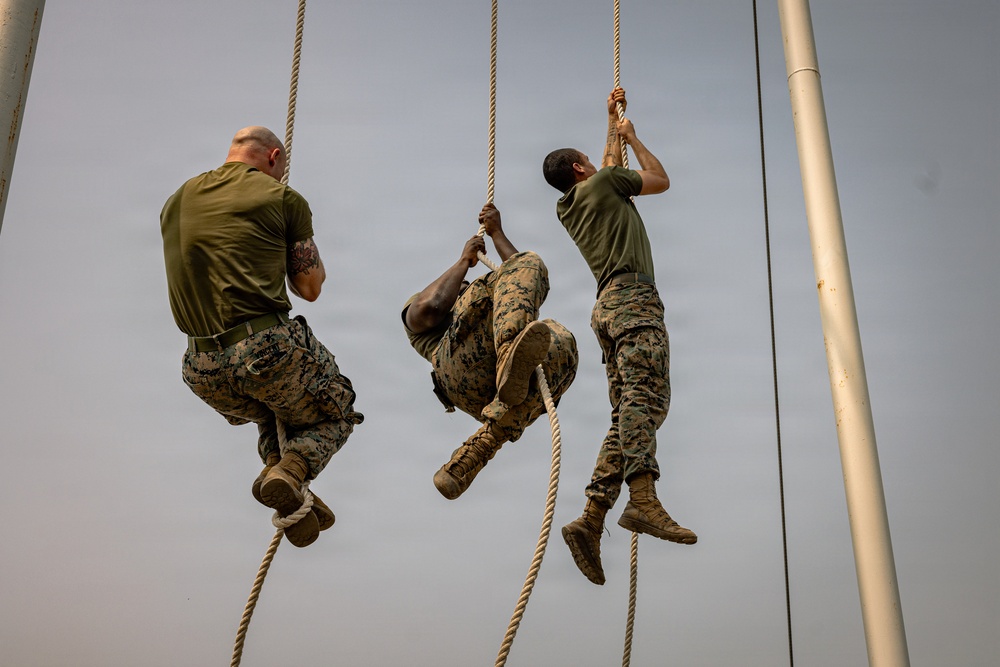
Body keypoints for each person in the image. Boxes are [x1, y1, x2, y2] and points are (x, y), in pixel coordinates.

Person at [160, 126, 363, 548]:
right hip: (261, 348)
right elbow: (309, 288)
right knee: (337, 410)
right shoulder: (283, 198)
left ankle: (281, 473)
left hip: (201, 369)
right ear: (273, 158)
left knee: (276, 410)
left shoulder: (175, 200)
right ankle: (290, 472)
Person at [542, 88, 696, 586]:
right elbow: (660, 180)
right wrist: (632, 134)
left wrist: (609, 123)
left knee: (632, 408)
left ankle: (591, 516)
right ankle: (643, 500)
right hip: (634, 300)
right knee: (646, 400)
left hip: (606, 309)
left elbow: (607, 166)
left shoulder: (571, 207)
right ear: (583, 170)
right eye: (591, 159)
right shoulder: (607, 181)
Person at [402, 203, 578, 500]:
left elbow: (526, 276)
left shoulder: (495, 309)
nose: (465, 287)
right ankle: (510, 354)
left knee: (561, 342)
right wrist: (463, 262)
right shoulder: (423, 316)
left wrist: (497, 234)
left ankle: (481, 447)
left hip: (493, 391)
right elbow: (428, 309)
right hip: (458, 368)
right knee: (525, 265)